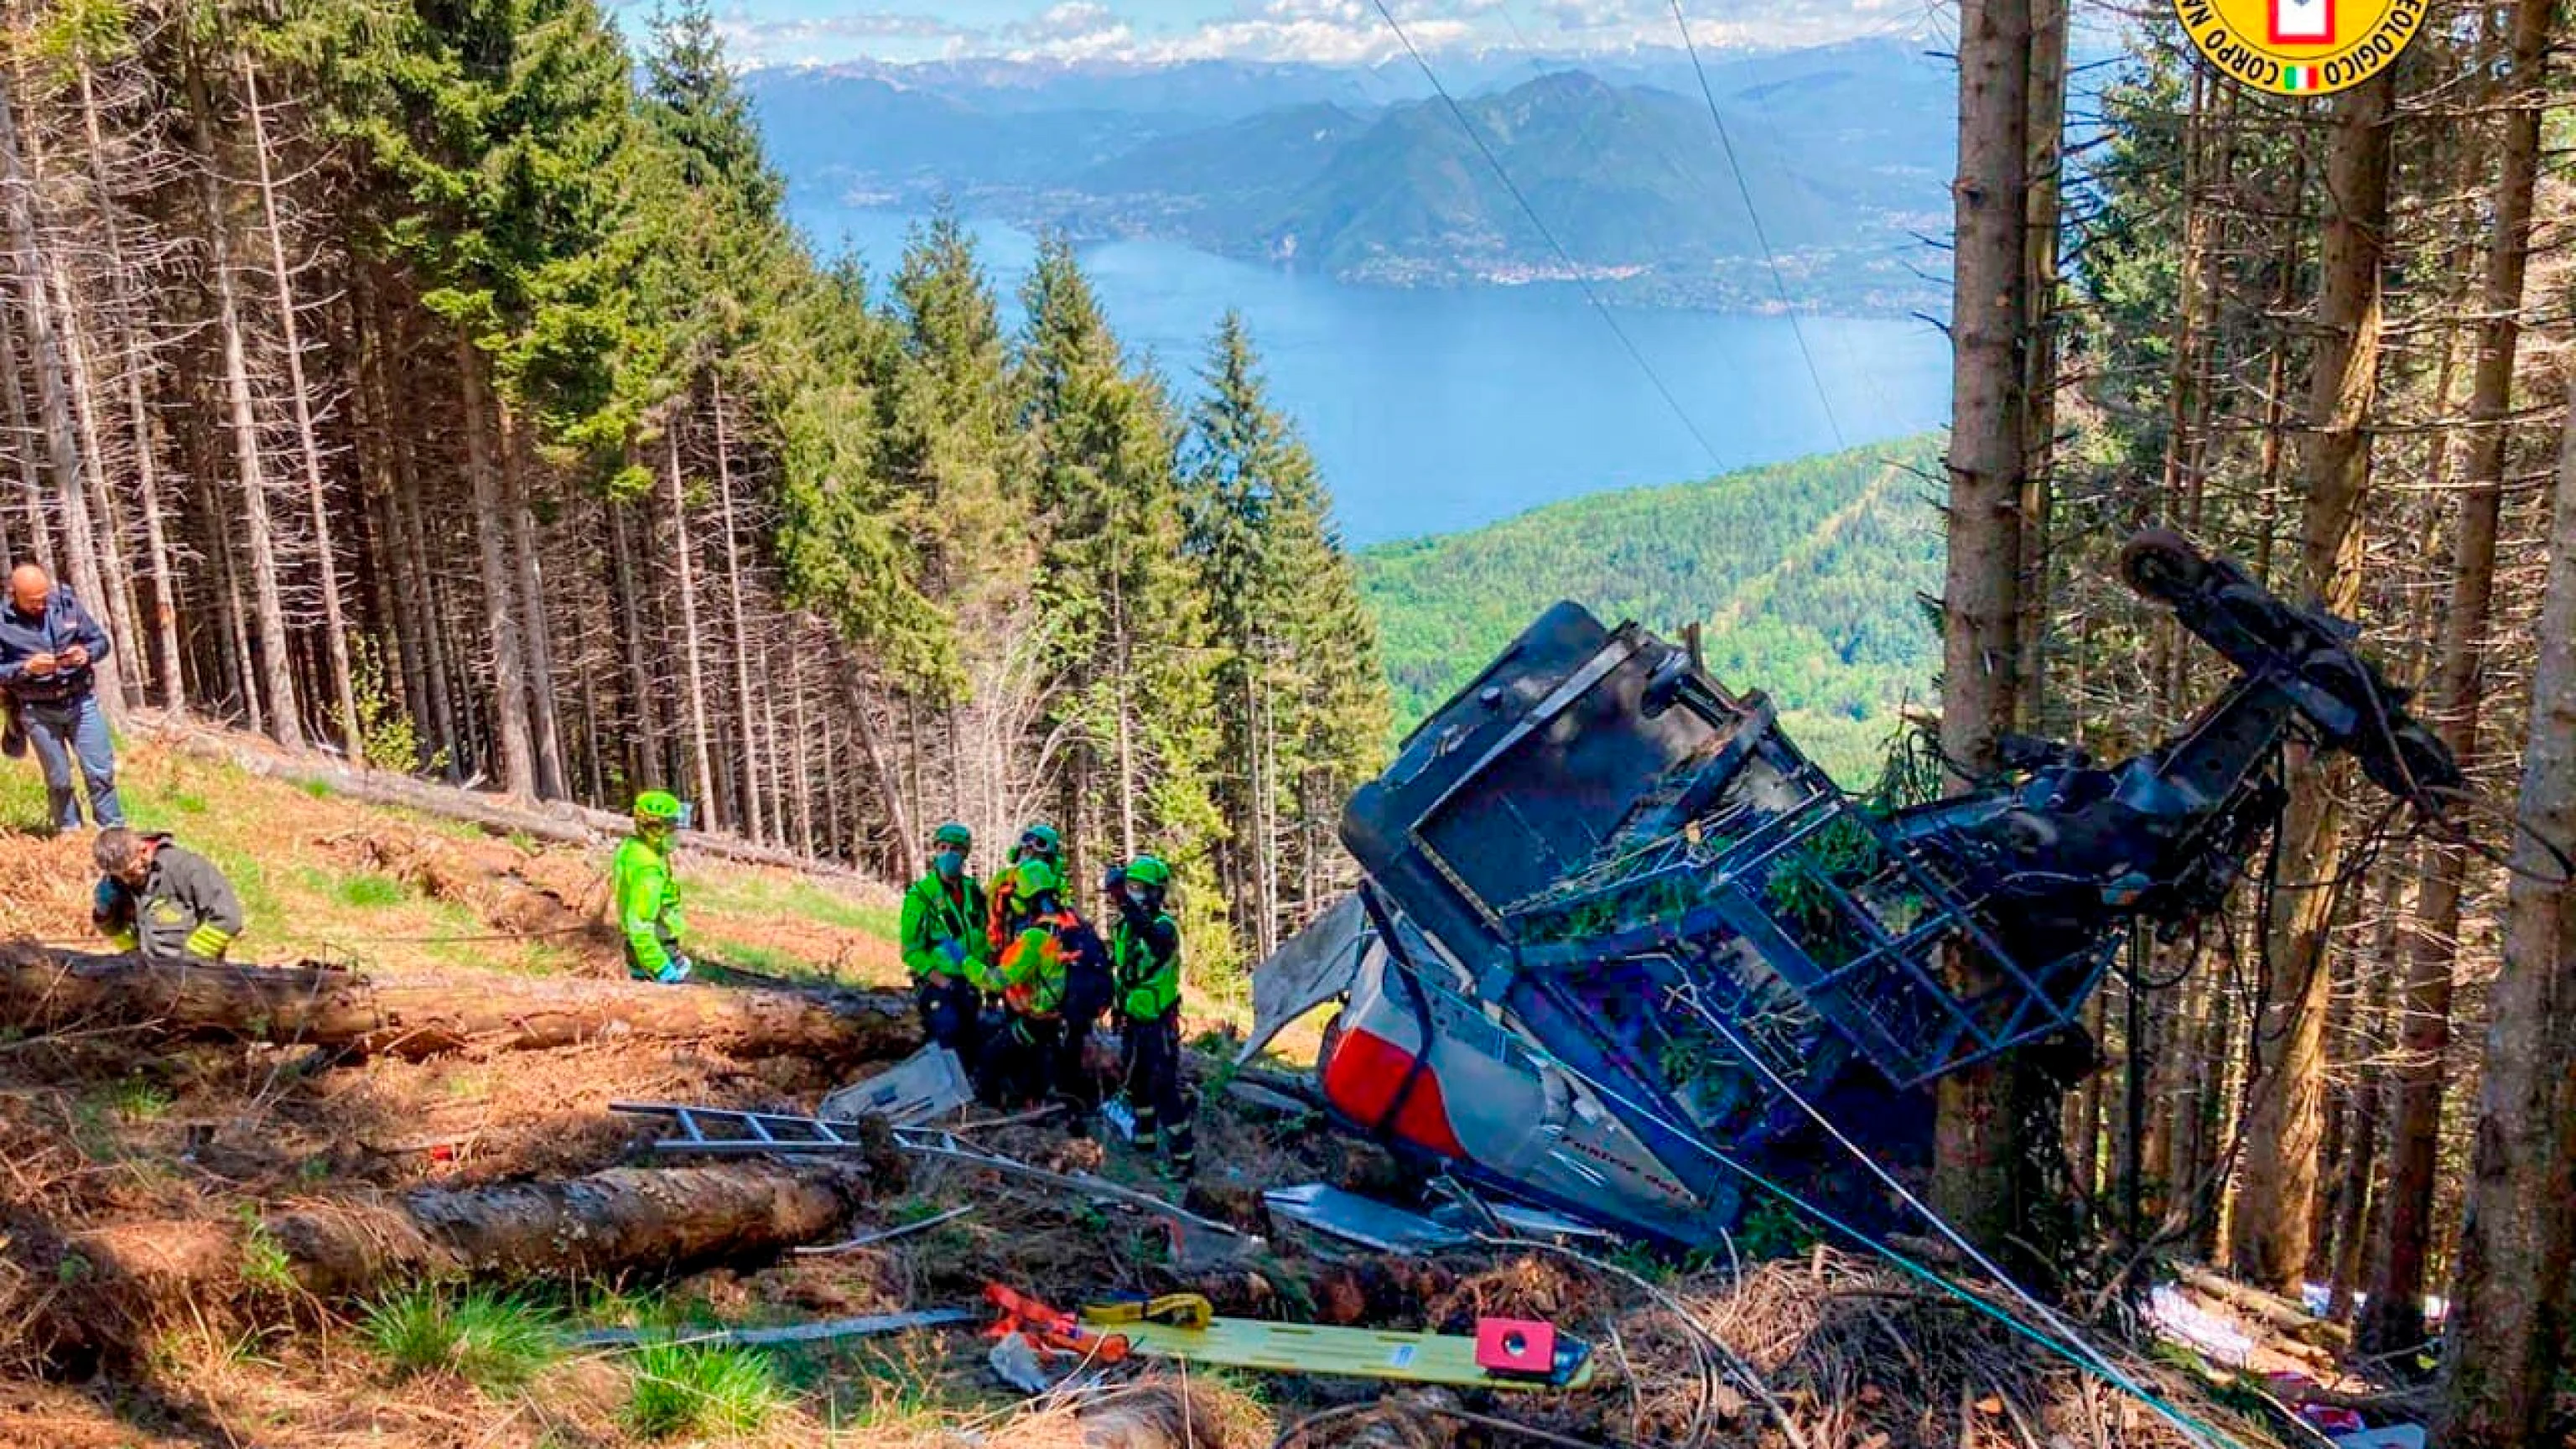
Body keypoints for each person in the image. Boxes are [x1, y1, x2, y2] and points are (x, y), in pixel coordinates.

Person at [0, 564, 123, 834]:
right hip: (37, 709)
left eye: (44, 598)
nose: (41, 605)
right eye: (33, 602)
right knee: (59, 780)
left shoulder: (67, 605)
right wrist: (26, 668)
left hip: (80, 701)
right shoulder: (2, 623)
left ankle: (113, 832)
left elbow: (101, 642)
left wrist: (86, 653)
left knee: (100, 772)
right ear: (13, 595)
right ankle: (70, 834)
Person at [987, 857, 1108, 1112]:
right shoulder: (1075, 924)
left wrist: (963, 961)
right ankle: (1067, 1108)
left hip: (1044, 1018)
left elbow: (999, 980)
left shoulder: (1035, 936)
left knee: (994, 1055)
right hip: (1075, 1018)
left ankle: (1027, 1105)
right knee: (1063, 1067)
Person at [1106, 854, 1194, 1178]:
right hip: (1133, 1018)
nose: (1133, 894)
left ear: (1157, 893)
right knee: (1136, 1083)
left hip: (1158, 1022)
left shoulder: (1163, 927)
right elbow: (1123, 972)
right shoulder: (1123, 929)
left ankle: (1184, 1157)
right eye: (1130, 888)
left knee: (1163, 1087)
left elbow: (1157, 946)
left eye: (1140, 889)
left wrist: (1125, 903)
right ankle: (1144, 1141)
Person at [900, 821, 992, 1066]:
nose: (949, 854)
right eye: (943, 847)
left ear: (965, 854)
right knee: (947, 1035)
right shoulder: (921, 896)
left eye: (955, 849)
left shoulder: (974, 893)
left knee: (972, 1042)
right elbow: (911, 951)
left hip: (971, 981)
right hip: (939, 984)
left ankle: (972, 1098)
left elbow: (984, 935)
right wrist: (943, 981)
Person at [91, 827, 243, 962]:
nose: (126, 881)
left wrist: (190, 960)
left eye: (130, 873)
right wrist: (106, 917)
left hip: (194, 974)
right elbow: (122, 935)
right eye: (119, 876)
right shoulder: (116, 882)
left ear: (144, 851)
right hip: (147, 974)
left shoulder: (186, 868)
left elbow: (228, 918)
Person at [613, 790, 693, 983]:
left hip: (642, 950)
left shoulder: (634, 849)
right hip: (657, 950)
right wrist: (661, 966)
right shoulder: (648, 869)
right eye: (672, 828)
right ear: (655, 829)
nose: (677, 834)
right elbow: (639, 924)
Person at [984, 821, 1064, 956]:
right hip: (1003, 948)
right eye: (1027, 844)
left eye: (1039, 845)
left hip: (1035, 949)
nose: (1030, 849)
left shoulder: (1051, 881)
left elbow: (1052, 917)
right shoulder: (1003, 878)